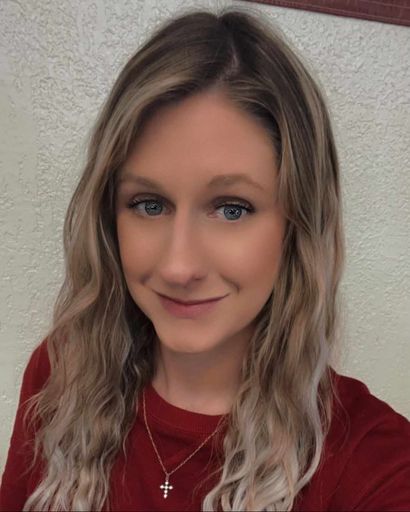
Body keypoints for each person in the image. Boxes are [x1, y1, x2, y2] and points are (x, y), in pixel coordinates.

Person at [1, 6, 409, 512]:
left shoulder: (375, 463)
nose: (178, 267)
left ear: (298, 226)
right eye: (148, 204)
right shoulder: (62, 376)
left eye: (232, 208)